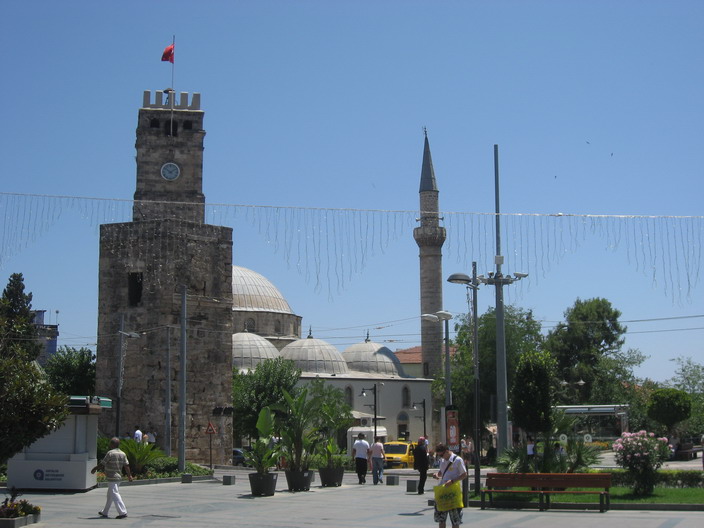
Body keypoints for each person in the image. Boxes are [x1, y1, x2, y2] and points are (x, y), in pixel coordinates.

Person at [91, 437, 133, 519]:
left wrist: (94, 469)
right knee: (110, 495)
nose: (109, 444)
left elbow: (102, 464)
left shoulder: (110, 453)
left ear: (112, 444)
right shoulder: (123, 453)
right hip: (118, 477)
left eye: (110, 443)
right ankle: (105, 512)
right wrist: (129, 475)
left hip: (112, 477)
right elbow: (126, 465)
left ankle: (122, 512)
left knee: (114, 493)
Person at [432, 443, 467, 528]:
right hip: (443, 491)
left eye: (441, 455)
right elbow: (442, 471)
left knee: (455, 520)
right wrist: (437, 474)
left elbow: (464, 474)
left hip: (453, 492)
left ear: (447, 451)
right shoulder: (442, 460)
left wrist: (452, 481)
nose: (441, 457)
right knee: (441, 519)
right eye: (439, 455)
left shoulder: (458, 460)